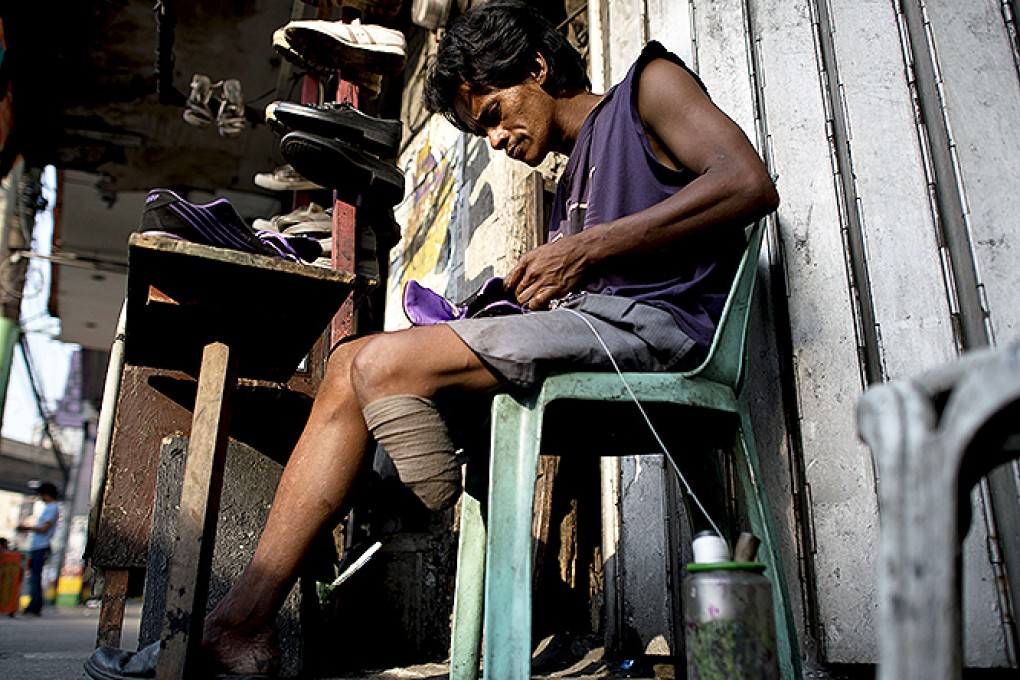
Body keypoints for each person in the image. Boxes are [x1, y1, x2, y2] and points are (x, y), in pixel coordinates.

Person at [193, 2, 778, 674]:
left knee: (380, 365)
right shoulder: (573, 174)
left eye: (495, 114)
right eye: (483, 132)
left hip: (664, 332)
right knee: (350, 362)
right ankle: (241, 621)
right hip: (602, 330)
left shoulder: (650, 86)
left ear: (535, 67)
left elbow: (747, 182)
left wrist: (584, 251)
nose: (495, 140)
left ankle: (415, 476)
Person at [16, 482, 60, 616]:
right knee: (35, 577)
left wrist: (27, 528)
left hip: (41, 546)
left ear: (46, 495)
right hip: (39, 546)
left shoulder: (52, 508)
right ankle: (34, 605)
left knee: (35, 577)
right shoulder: (50, 507)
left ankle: (34, 606)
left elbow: (44, 528)